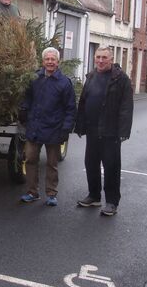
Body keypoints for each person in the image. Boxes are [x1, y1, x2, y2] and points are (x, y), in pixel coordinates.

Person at [74, 46, 133, 216]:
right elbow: (84, 102)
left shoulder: (121, 79)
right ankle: (94, 196)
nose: (100, 60)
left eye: (104, 58)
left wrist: (123, 131)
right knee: (90, 164)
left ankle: (112, 202)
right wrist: (80, 125)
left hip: (111, 131)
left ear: (111, 59)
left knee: (111, 167)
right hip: (92, 130)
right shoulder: (91, 76)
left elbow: (126, 107)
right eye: (98, 57)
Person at [18, 47, 76, 206]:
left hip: (54, 129)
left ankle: (51, 193)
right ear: (43, 61)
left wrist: (66, 129)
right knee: (30, 159)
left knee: (52, 163)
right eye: (47, 59)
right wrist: (24, 109)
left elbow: (70, 108)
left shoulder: (64, 83)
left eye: (53, 59)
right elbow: (28, 97)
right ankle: (32, 191)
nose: (50, 62)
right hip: (35, 128)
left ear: (58, 62)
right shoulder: (35, 78)